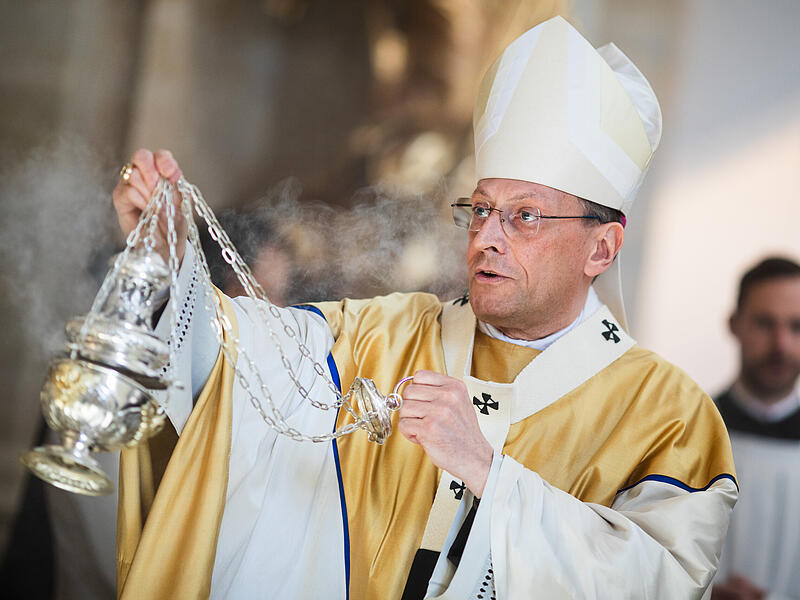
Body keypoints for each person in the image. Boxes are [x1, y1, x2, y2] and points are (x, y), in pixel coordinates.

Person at [110, 16, 737, 599]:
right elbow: (235, 370)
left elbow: (661, 581)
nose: (487, 236)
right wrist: (171, 269)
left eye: (523, 216)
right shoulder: (379, 336)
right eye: (481, 209)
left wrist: (490, 473)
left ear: (601, 248)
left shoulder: (669, 417)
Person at [713, 257, 800, 600]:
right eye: (765, 323)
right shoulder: (690, 434)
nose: (781, 345)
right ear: (735, 325)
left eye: (796, 326)